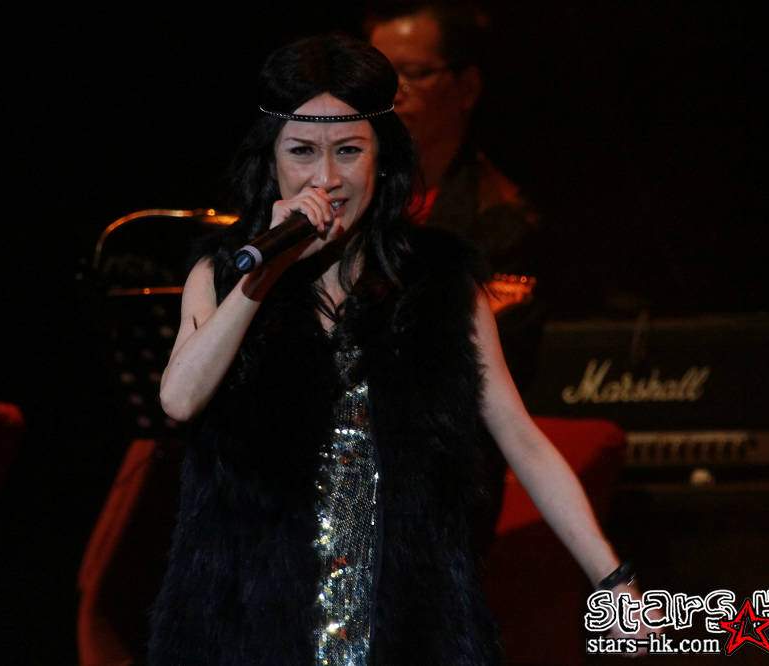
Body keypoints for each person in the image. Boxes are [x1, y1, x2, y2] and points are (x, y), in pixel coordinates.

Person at [149, 33, 652, 665]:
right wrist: (265, 276)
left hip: (410, 624)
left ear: (381, 159)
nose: (326, 179)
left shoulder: (440, 286)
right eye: (302, 152)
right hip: (248, 625)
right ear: (271, 160)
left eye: (348, 151)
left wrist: (613, 578)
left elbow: (521, 439)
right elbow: (180, 398)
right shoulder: (225, 274)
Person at [366, 2, 545, 394]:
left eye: (414, 74)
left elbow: (487, 367)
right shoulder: (348, 193)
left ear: (467, 88)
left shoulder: (503, 219)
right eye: (378, 74)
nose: (390, 94)